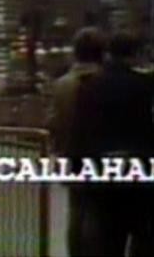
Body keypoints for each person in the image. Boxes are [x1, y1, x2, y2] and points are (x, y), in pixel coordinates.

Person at [67, 32, 154, 256]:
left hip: (102, 173)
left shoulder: (89, 86)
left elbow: (80, 131)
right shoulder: (146, 86)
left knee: (106, 238)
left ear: (109, 54)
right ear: (135, 55)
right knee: (142, 234)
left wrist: (77, 169)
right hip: (140, 172)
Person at [48, 27, 106, 155]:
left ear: (75, 53)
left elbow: (53, 123)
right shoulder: (108, 81)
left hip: (68, 157)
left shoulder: (61, 84)